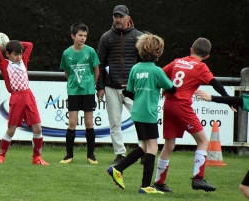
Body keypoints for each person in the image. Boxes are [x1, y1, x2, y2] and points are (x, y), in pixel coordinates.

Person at [152, 38, 231, 192]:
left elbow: (160, 73)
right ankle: (198, 179)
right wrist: (229, 101)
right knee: (203, 141)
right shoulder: (201, 67)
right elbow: (215, 83)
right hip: (182, 106)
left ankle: (159, 183)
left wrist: (164, 86)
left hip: (168, 104)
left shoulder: (177, 61)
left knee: (169, 145)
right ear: (207, 56)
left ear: (191, 50)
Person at [107, 33, 176, 194]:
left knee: (145, 147)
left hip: (137, 113)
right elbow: (172, 89)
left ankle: (117, 169)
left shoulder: (135, 69)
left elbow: (129, 93)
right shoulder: (157, 71)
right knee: (153, 147)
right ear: (158, 52)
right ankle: (145, 186)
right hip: (148, 113)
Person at [96, 5, 143, 165]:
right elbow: (99, 64)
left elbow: (144, 63)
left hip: (133, 88)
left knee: (140, 120)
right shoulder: (106, 37)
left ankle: (144, 151)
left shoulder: (139, 37)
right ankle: (120, 154)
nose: (118, 19)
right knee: (115, 122)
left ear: (128, 18)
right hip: (110, 87)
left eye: (121, 16)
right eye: (115, 16)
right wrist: (100, 87)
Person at [0, 40, 49, 166]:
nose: (19, 57)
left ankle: (37, 157)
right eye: (16, 54)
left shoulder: (23, 60)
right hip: (16, 98)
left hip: (28, 95)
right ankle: (0, 156)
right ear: (7, 54)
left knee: (38, 128)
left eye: (20, 54)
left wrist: (9, 41)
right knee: (11, 129)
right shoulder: (4, 64)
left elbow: (30, 45)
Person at [59, 23, 100, 164]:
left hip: (88, 91)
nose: (83, 38)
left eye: (85, 36)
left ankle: (91, 155)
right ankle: (69, 155)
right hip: (73, 91)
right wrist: (74, 83)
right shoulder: (66, 53)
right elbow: (67, 72)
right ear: (73, 36)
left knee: (89, 122)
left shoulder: (91, 51)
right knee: (72, 122)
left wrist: (91, 84)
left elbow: (96, 70)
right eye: (80, 35)